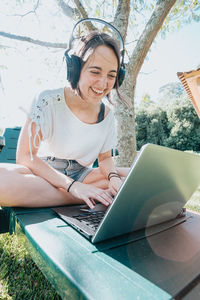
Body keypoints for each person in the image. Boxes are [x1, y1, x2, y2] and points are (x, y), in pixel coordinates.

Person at [0, 30, 129, 209]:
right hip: (44, 173)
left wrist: (113, 178)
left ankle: (89, 192)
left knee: (135, 176)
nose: (103, 83)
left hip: (84, 174)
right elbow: (26, 156)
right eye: (95, 72)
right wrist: (73, 188)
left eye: (111, 75)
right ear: (74, 69)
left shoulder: (107, 115)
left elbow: (106, 158)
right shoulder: (47, 100)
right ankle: (82, 196)